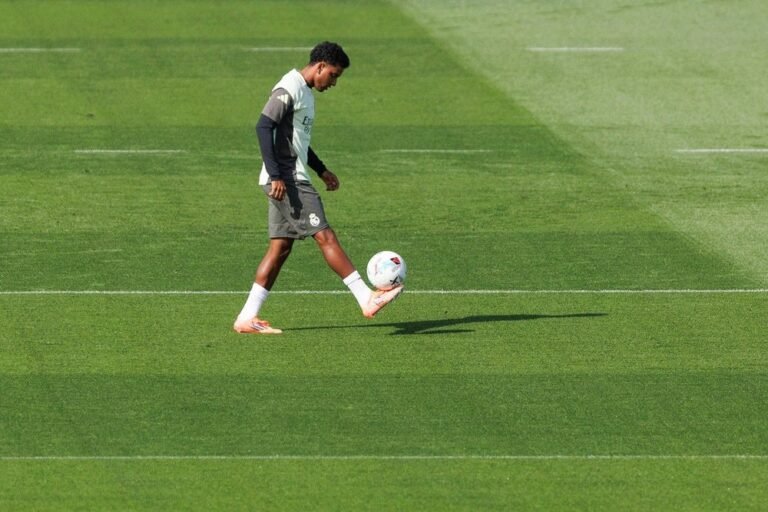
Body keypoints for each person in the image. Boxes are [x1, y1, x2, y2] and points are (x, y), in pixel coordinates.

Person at [234, 41, 403, 334]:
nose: (334, 82)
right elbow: (263, 126)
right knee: (324, 235)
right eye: (334, 75)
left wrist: (322, 170)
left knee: (280, 248)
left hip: (290, 175)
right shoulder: (289, 87)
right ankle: (366, 298)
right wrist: (276, 175)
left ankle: (247, 318)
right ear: (320, 66)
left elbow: (299, 144)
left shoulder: (306, 94)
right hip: (288, 180)